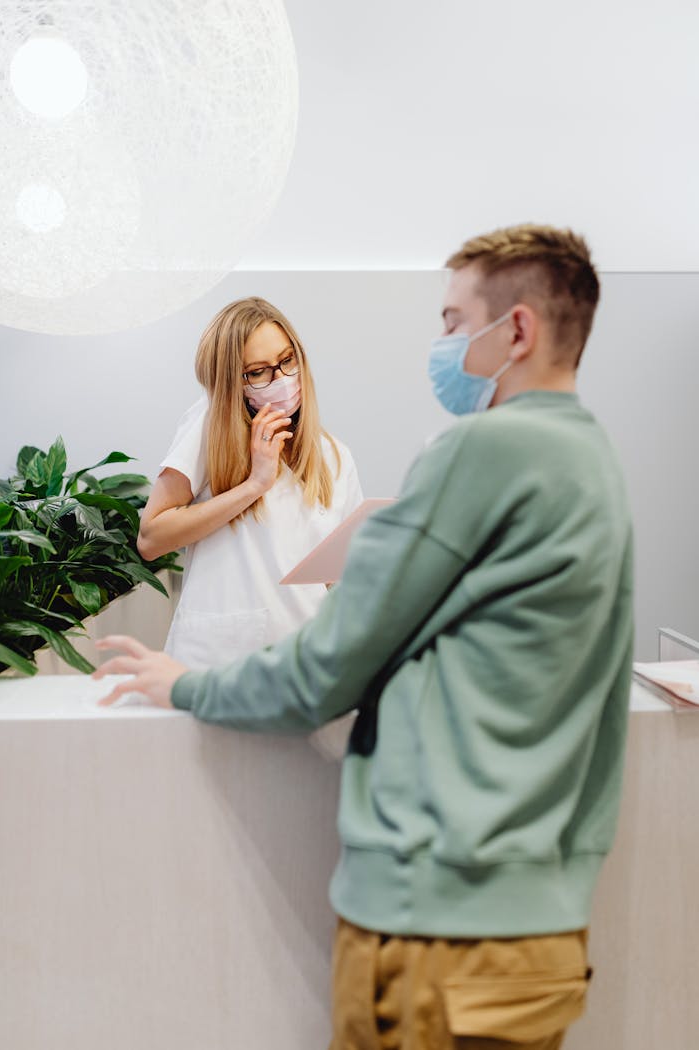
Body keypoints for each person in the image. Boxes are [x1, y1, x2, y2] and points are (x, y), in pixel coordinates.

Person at [95, 224, 634, 1050]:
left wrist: (186, 685)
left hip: (433, 933)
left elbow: (327, 667)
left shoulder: (472, 453)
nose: (443, 343)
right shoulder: (592, 462)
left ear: (516, 330)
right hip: (540, 926)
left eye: (454, 323)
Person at [136, 296, 363, 669]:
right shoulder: (209, 429)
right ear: (233, 382)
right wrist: (254, 485)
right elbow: (151, 539)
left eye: (288, 360)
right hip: (220, 660)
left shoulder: (334, 455)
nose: (282, 379)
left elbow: (342, 576)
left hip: (307, 657)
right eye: (258, 371)